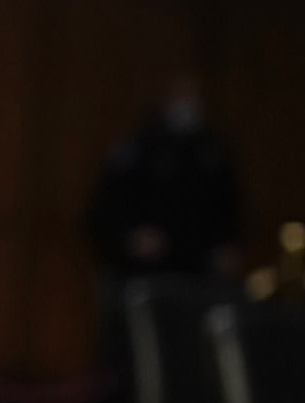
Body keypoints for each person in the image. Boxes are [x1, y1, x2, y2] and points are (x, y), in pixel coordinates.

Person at [85, 75, 241, 279]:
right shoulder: (140, 148)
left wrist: (227, 245)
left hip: (199, 271)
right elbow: (105, 207)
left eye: (193, 96)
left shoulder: (212, 151)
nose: (187, 102)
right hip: (145, 270)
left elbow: (230, 206)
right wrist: (131, 237)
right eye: (181, 94)